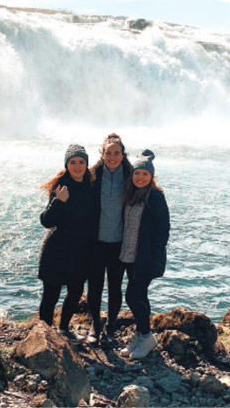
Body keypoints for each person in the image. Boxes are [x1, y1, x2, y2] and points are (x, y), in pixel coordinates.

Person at [38, 143, 98, 342]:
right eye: (73, 162)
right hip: (56, 251)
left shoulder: (91, 186)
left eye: (81, 162)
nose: (77, 166)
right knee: (51, 295)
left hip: (80, 251)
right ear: (67, 164)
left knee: (75, 293)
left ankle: (64, 329)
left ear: (86, 164)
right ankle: (45, 335)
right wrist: (58, 201)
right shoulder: (61, 187)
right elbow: (47, 221)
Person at [119, 149, 170, 359]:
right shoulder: (132, 194)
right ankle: (141, 335)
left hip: (145, 257)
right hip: (130, 255)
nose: (140, 177)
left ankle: (147, 336)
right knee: (140, 296)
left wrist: (153, 252)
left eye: (145, 174)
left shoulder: (155, 196)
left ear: (151, 177)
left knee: (132, 295)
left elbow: (163, 228)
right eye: (137, 173)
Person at [86, 133, 133, 344]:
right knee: (94, 286)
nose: (112, 157)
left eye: (116, 153)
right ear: (102, 154)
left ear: (123, 155)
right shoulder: (92, 176)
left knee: (115, 287)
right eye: (108, 153)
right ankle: (95, 325)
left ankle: (111, 328)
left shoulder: (132, 177)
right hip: (95, 243)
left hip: (119, 243)